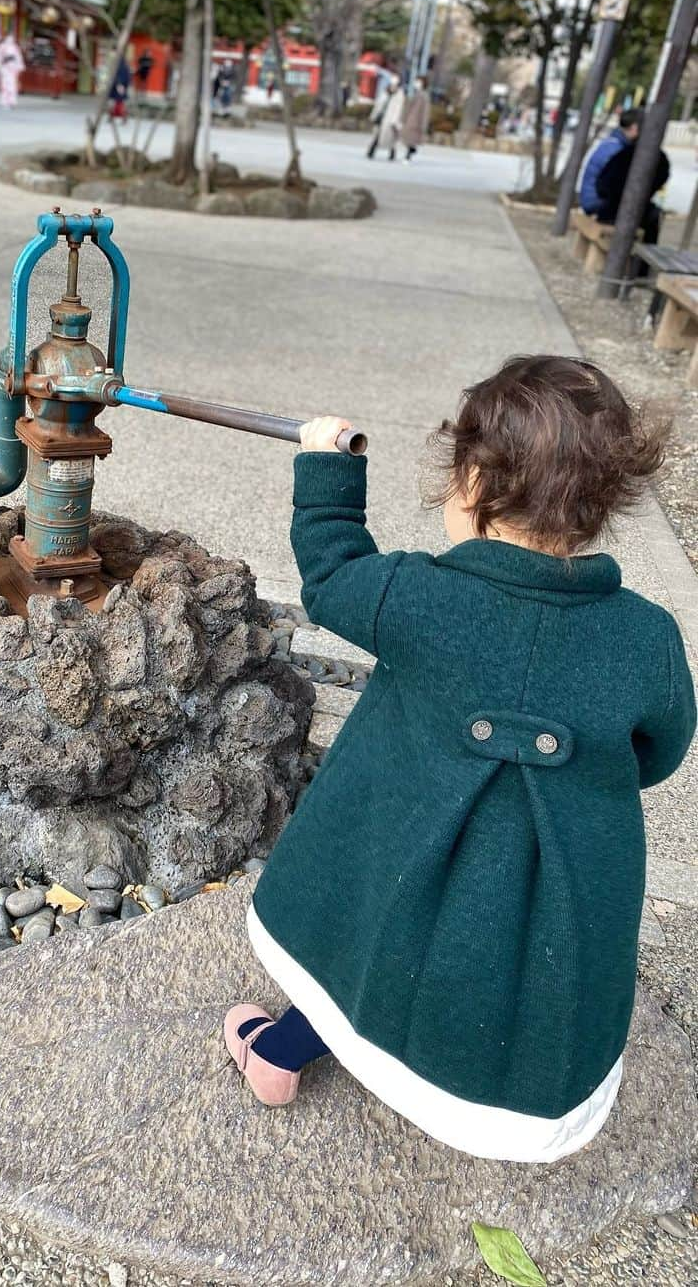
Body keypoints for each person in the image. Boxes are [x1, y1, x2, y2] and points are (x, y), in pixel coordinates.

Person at [224, 354, 694, 1163]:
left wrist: (329, 467)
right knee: (517, 976)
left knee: (370, 930)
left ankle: (280, 1053)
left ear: (472, 483)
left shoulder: (416, 598)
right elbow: (660, 749)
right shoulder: (648, 639)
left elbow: (333, 573)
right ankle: (485, 1097)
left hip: (402, 838)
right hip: (553, 890)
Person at [579, 108, 642, 218]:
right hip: (596, 202)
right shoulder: (615, 150)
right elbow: (613, 185)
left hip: (594, 199)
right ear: (634, 127)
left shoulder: (613, 143)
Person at [367, 75, 404, 160]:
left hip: (390, 119)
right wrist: (373, 115)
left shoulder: (399, 95)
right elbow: (378, 105)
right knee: (377, 135)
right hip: (381, 118)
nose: (393, 87)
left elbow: (398, 109)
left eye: (395, 85)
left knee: (391, 138)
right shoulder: (385, 93)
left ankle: (392, 153)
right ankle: (371, 151)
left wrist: (395, 121)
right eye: (392, 85)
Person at [401, 74, 430, 162]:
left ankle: (408, 156)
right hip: (411, 119)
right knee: (408, 138)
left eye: (418, 82)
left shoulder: (424, 95)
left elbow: (425, 111)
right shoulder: (416, 93)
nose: (416, 83)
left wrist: (423, 124)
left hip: (416, 121)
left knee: (411, 139)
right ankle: (411, 151)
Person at [0, 33, 24, 108]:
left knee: (12, 85)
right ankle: (4, 101)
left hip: (12, 68)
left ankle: (11, 101)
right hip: (4, 67)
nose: (10, 39)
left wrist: (19, 67)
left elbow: (18, 58)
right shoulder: (2, 46)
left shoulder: (15, 47)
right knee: (4, 85)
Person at [108, 55, 130, 120]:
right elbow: (128, 78)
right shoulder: (126, 67)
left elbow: (116, 76)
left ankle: (112, 116)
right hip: (121, 87)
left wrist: (119, 84)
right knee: (121, 102)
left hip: (117, 86)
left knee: (113, 102)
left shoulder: (117, 67)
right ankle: (123, 117)